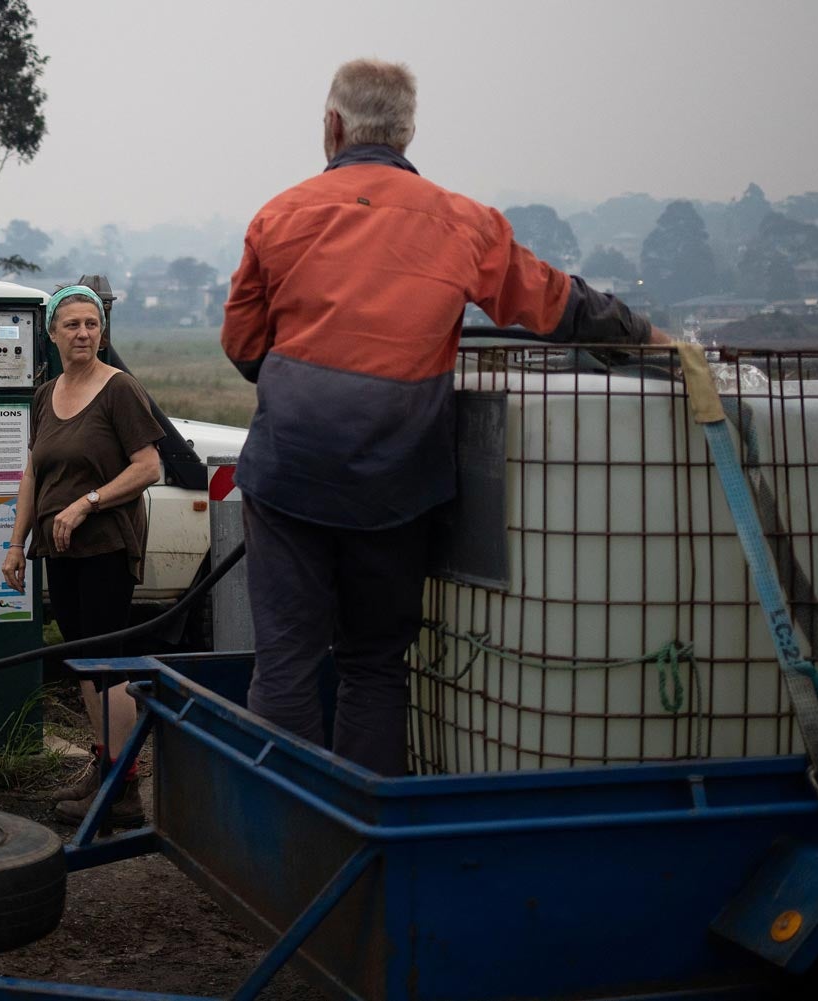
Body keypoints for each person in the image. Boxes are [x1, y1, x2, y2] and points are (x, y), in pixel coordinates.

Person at [220, 59, 666, 776]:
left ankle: (287, 852)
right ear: (407, 132)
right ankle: (365, 849)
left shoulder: (281, 216)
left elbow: (243, 347)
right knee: (373, 666)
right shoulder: (464, 223)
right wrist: (650, 339)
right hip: (398, 486)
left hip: (291, 478)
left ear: (333, 126)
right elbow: (558, 304)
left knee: (286, 666)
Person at [2, 285, 164, 825]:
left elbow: (148, 467)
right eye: (71, 325)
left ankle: (125, 787)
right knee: (82, 661)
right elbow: (32, 472)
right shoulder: (44, 395)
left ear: (102, 331)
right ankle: (105, 767)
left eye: (91, 324)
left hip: (105, 547)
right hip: (58, 548)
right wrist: (15, 543)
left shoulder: (120, 391)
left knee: (106, 667)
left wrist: (86, 504)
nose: (83, 334)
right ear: (51, 334)